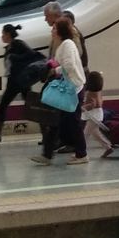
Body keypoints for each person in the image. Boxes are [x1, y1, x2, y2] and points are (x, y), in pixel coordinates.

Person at [33, 18, 87, 166]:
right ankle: (47, 155)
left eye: (55, 28)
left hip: (73, 90)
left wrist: (54, 71)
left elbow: (68, 65)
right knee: (56, 122)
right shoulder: (62, 45)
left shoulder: (67, 44)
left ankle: (81, 154)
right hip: (68, 90)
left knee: (72, 123)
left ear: (61, 30)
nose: (52, 30)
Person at [0, 24, 42, 147]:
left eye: (3, 34)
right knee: (10, 106)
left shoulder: (18, 44)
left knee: (27, 107)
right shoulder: (8, 48)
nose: (2, 36)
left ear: (8, 34)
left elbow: (32, 55)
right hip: (13, 81)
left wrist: (16, 57)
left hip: (21, 81)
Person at [82, 71, 113, 159]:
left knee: (85, 134)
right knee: (95, 133)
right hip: (98, 114)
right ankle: (108, 147)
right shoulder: (98, 91)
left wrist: (83, 107)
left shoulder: (90, 93)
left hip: (93, 116)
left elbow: (93, 104)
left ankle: (81, 152)